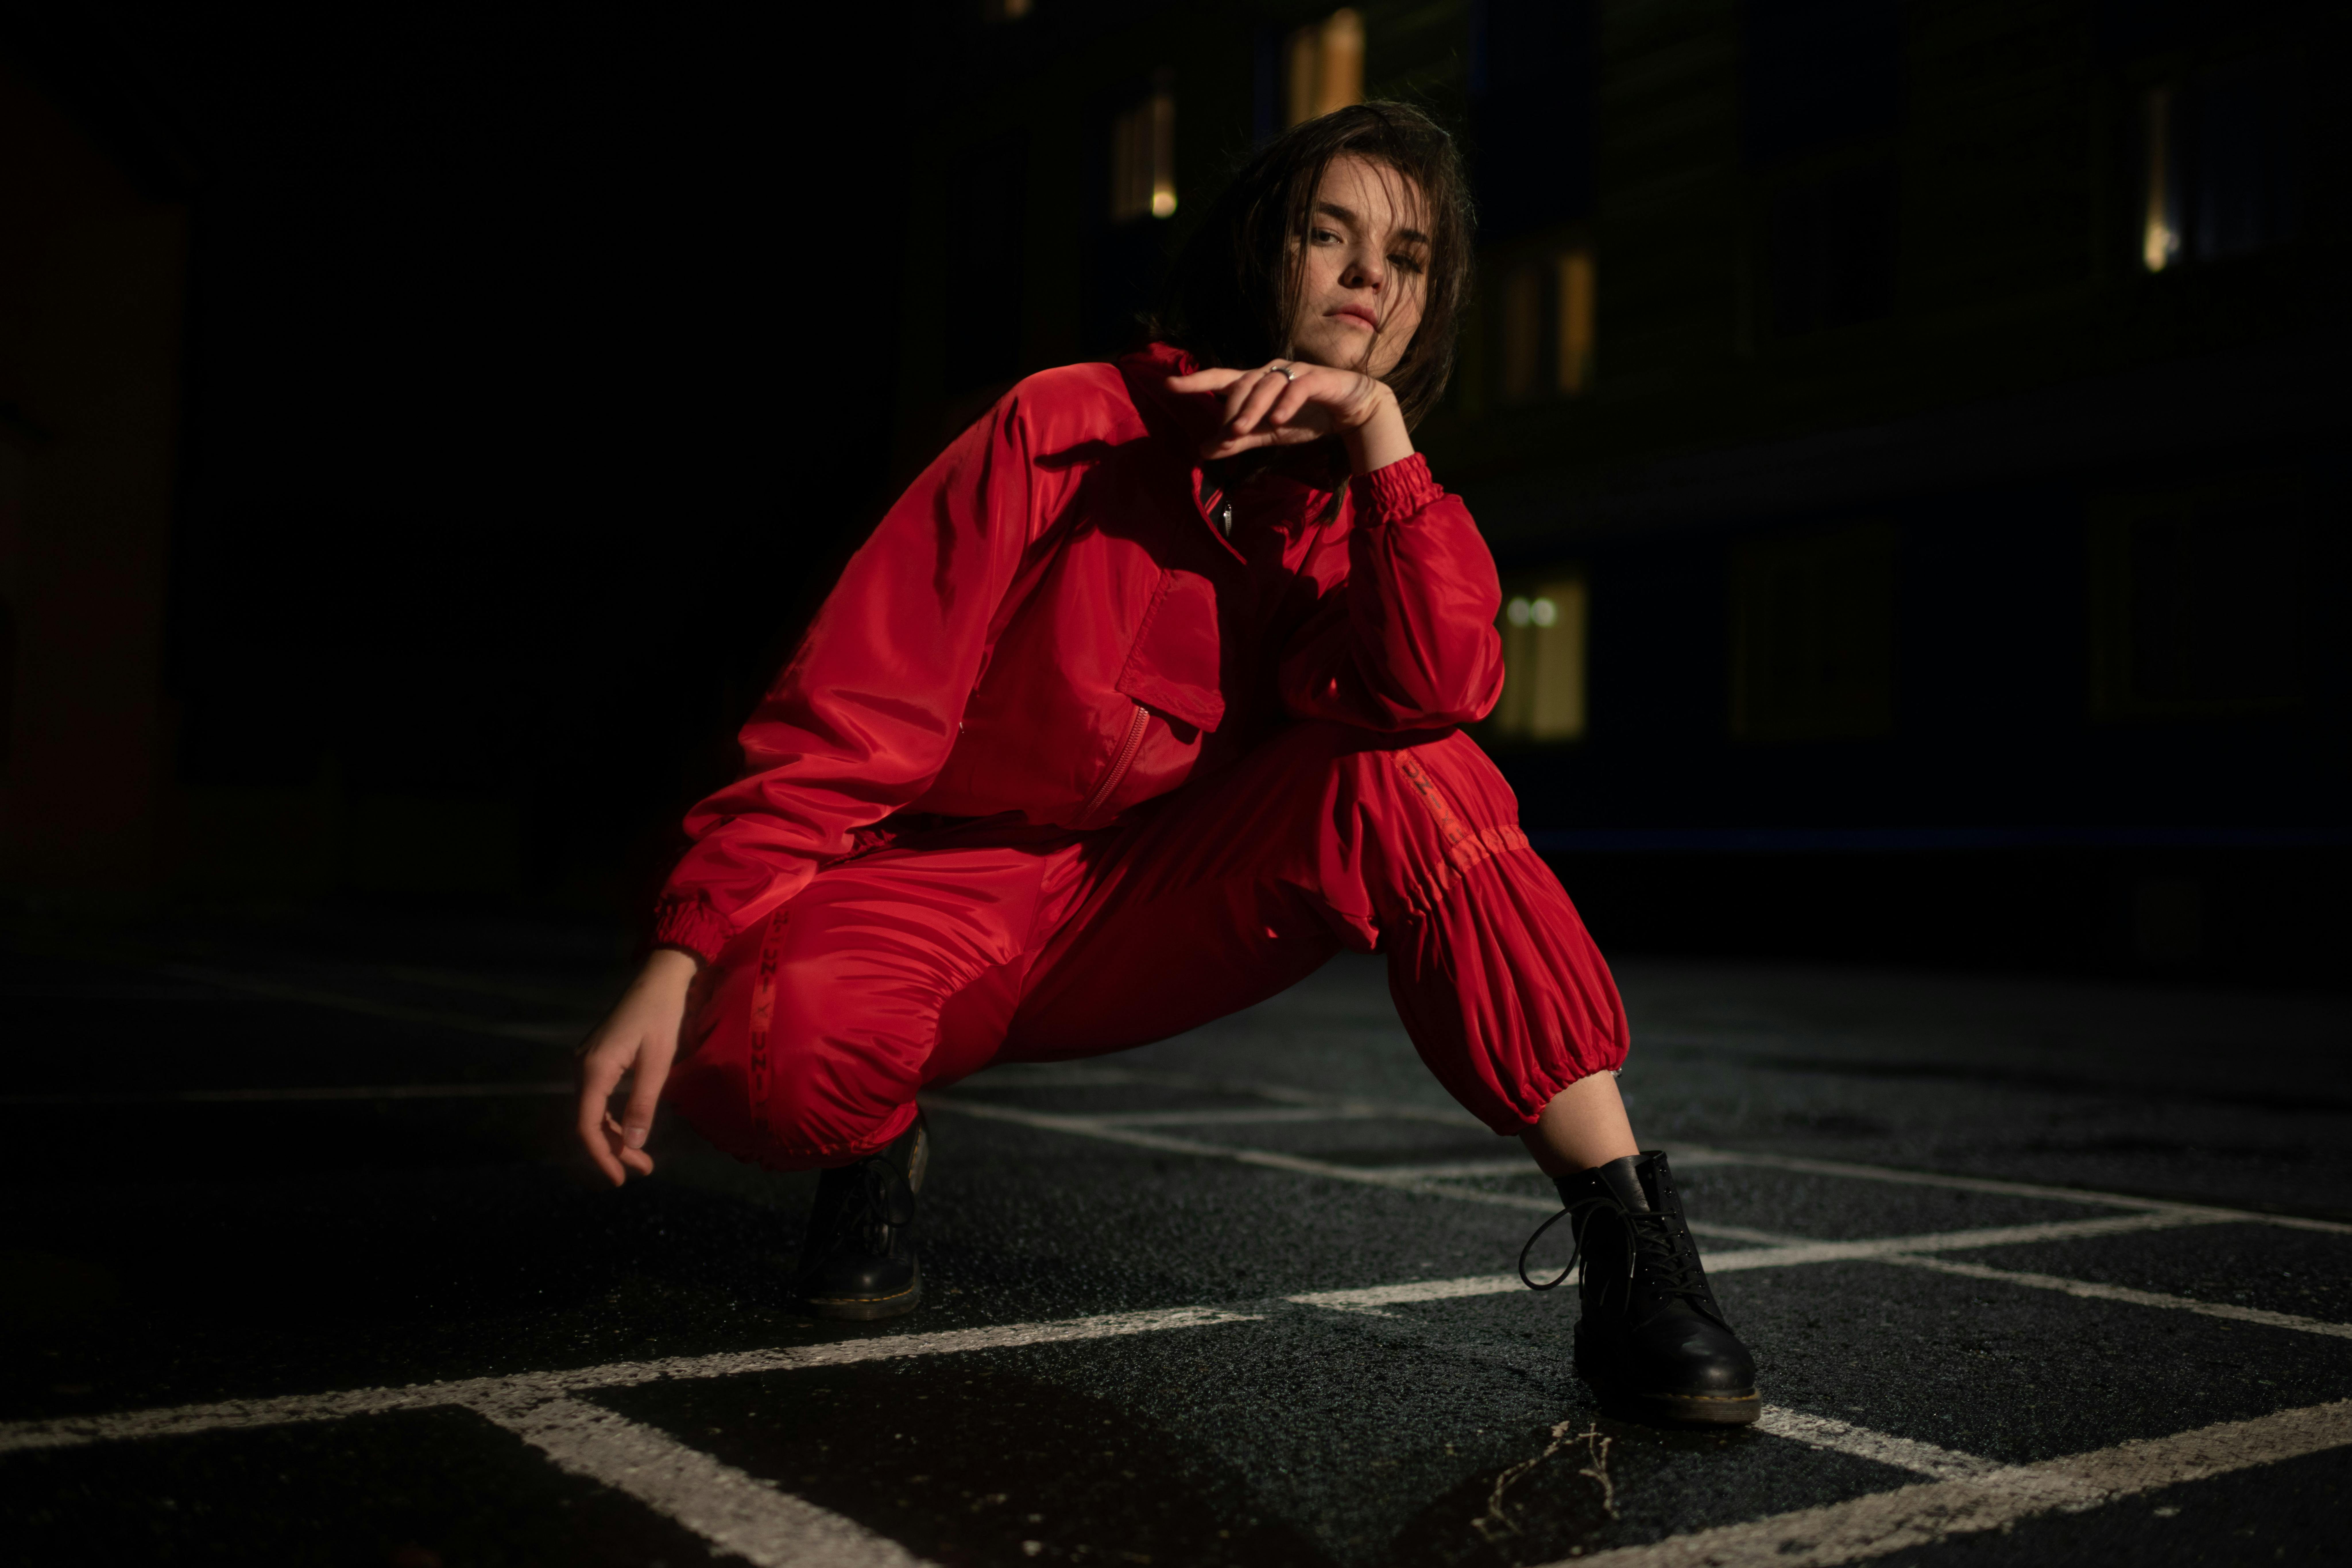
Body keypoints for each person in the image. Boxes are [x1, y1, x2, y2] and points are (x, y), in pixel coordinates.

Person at [574, 103, 1758, 1427]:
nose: (1372, 276)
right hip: (932, 888)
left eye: (1409, 257)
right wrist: (682, 953)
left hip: (1132, 907)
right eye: (1333, 234)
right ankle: (874, 1141)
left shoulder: (1355, 505)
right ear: (1265, 250)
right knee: (757, 1066)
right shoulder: (1064, 426)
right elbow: (852, 705)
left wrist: (1378, 438)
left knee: (1416, 769)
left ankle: (1635, 1249)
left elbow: (1433, 688)